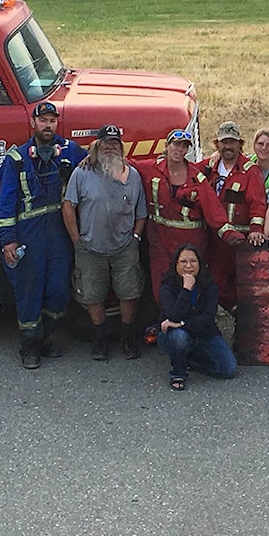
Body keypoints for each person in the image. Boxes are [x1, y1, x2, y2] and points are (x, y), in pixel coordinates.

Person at [0, 101, 87, 369]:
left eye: (52, 120)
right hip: (29, 236)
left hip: (59, 234)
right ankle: (29, 347)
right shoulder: (16, 160)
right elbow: (5, 203)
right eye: (43, 120)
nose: (48, 125)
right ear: (33, 123)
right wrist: (8, 239)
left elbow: (98, 161)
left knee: (59, 290)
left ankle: (45, 337)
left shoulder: (70, 151)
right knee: (29, 292)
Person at [133, 128, 246, 311]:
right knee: (161, 290)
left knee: (192, 289)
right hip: (160, 243)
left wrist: (230, 234)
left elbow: (214, 210)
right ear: (167, 146)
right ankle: (166, 329)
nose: (179, 150)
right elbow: (124, 164)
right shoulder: (150, 169)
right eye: (176, 145)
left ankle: (193, 330)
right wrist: (91, 155)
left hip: (190, 245)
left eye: (184, 147)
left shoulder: (197, 179)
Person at [62, 124, 148, 361]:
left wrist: (136, 238)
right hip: (90, 248)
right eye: (106, 143)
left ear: (121, 148)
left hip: (125, 248)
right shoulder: (82, 173)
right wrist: (77, 240)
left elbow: (141, 213)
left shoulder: (133, 176)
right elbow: (68, 206)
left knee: (129, 292)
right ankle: (100, 340)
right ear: (96, 146)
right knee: (92, 295)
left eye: (115, 143)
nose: (110, 147)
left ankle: (128, 338)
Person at [196, 121, 268, 314]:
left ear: (240, 144)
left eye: (232, 142)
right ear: (217, 144)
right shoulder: (207, 168)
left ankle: (244, 325)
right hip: (213, 238)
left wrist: (256, 230)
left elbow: (258, 203)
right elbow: (186, 173)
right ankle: (232, 313)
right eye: (224, 142)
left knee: (243, 283)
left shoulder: (250, 171)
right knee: (215, 280)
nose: (228, 146)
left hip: (239, 240)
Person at [158, 244, 238, 391]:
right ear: (176, 264)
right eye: (183, 262)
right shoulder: (168, 285)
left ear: (200, 264)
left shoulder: (209, 285)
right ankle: (178, 373)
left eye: (193, 261)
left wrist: (182, 324)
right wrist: (186, 289)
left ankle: (190, 360)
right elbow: (173, 315)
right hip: (175, 335)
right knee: (179, 338)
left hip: (204, 332)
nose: (188, 266)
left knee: (229, 369)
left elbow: (208, 318)